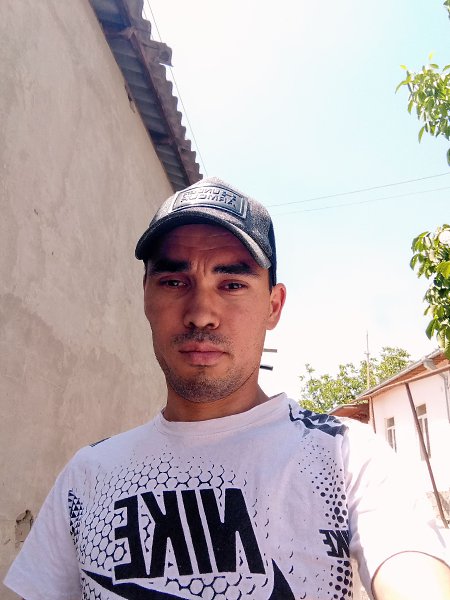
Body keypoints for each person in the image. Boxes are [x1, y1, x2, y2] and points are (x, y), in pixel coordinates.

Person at [4, 177, 450, 600]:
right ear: (146, 295)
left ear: (273, 306)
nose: (201, 313)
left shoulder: (345, 457)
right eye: (174, 282)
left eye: (232, 284)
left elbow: (412, 571)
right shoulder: (87, 477)